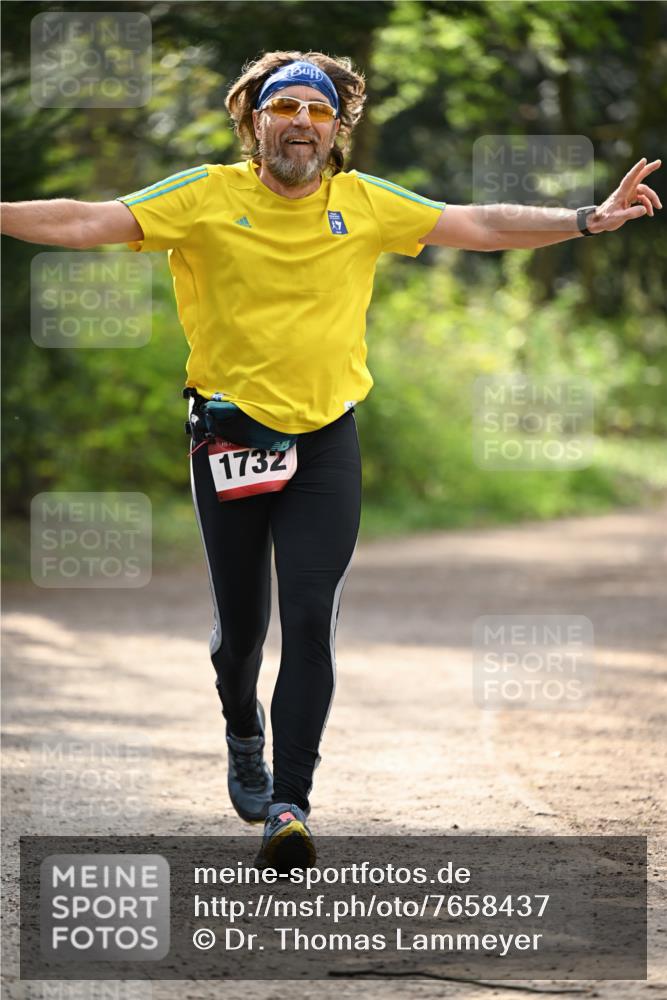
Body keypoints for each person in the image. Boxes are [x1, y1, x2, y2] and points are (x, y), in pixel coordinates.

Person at [1, 49, 661, 871]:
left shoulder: (365, 203)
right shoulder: (203, 197)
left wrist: (585, 219)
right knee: (242, 632)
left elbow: (479, 223)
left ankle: (290, 802)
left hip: (325, 441)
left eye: (317, 113)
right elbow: (82, 220)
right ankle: (243, 728)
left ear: (336, 128)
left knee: (310, 615)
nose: (301, 124)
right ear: (253, 122)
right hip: (231, 436)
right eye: (284, 110)